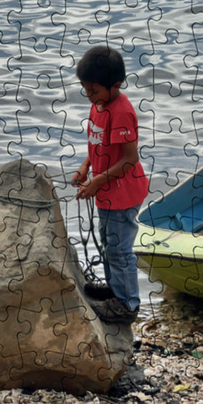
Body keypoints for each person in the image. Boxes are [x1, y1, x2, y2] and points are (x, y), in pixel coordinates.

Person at [72, 45, 149, 323]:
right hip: (105, 190)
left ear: (115, 85)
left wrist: (97, 181)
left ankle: (128, 305)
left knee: (119, 248)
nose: (89, 96)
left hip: (123, 194)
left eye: (93, 90)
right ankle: (116, 291)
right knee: (107, 243)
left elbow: (130, 159)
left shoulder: (122, 112)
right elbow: (99, 148)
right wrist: (85, 168)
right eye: (86, 89)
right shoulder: (99, 106)